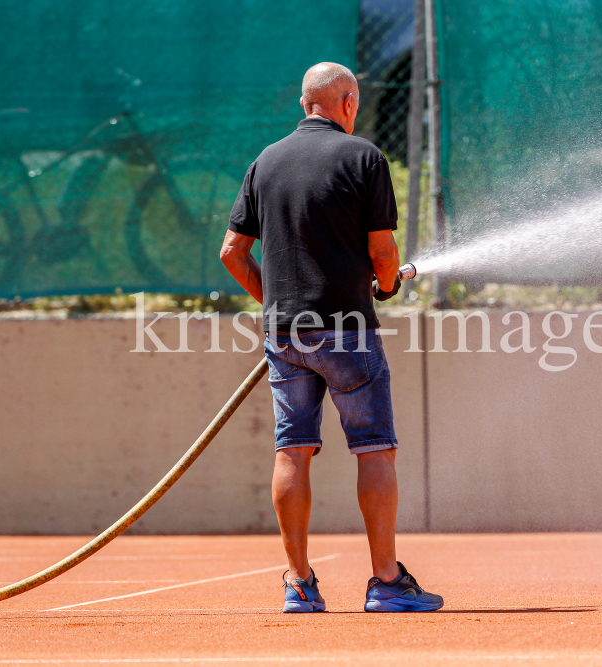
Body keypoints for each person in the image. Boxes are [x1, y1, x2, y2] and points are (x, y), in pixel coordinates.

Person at [220, 62, 443, 614]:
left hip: (285, 336)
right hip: (348, 332)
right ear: (347, 102)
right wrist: (387, 285)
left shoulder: (264, 161)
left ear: (304, 104)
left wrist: (276, 306)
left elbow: (232, 252)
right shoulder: (363, 156)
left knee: (292, 450)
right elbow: (384, 253)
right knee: (374, 450)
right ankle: (387, 584)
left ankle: (298, 584)